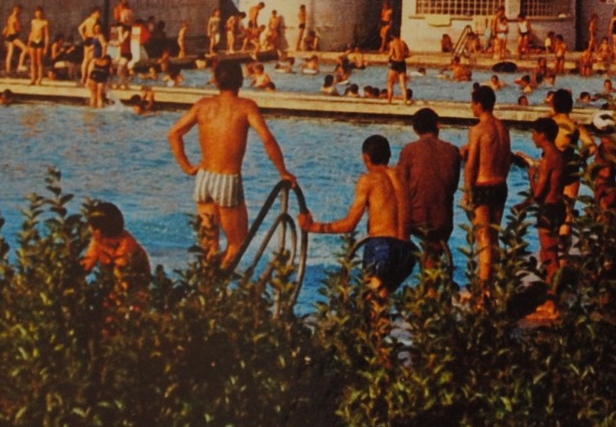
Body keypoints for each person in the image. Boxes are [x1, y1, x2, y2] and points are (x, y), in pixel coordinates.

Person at [168, 59, 295, 268]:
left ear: (216, 81)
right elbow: (268, 139)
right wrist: (283, 172)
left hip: (204, 178)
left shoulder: (203, 105)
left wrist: (188, 167)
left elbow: (174, 134)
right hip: (227, 179)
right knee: (238, 243)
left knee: (209, 246)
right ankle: (221, 286)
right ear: (241, 80)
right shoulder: (245, 107)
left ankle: (208, 290)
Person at [301, 134, 416, 296]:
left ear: (366, 158)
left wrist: (313, 227)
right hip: (407, 251)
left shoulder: (368, 180)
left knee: (371, 305)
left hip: (382, 248)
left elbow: (350, 225)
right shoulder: (402, 176)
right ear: (389, 155)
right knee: (382, 304)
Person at [462, 83, 513, 295]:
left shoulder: (478, 130)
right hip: (500, 184)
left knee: (483, 238)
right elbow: (508, 159)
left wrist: (467, 191)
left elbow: (472, 163)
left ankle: (484, 291)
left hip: (483, 186)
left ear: (479, 104)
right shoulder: (503, 128)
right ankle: (496, 284)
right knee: (494, 237)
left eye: (473, 103)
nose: (471, 107)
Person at [396, 107, 462, 263]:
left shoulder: (409, 150)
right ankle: (432, 275)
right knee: (432, 253)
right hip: (442, 222)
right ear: (437, 126)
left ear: (415, 129)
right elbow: (452, 186)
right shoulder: (453, 151)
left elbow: (401, 186)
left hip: (415, 219)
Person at [527, 117, 568, 285]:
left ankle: (554, 301)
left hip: (549, 208)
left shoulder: (548, 159)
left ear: (542, 135)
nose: (533, 138)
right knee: (550, 253)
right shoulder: (559, 155)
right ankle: (552, 295)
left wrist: (531, 177)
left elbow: (538, 193)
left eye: (534, 134)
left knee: (549, 255)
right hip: (559, 206)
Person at [81, 200, 151, 286]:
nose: (89, 229)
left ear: (99, 230)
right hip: (112, 283)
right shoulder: (99, 240)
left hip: (133, 290)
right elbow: (85, 266)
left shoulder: (126, 246)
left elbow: (122, 284)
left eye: (91, 225)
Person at [26, 7, 51, 86]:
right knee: (33, 61)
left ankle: (40, 78)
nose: (38, 14)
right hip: (33, 41)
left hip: (40, 42)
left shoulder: (45, 22)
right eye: (37, 13)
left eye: (40, 13)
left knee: (39, 61)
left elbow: (47, 35)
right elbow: (31, 32)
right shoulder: (33, 21)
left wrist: (46, 47)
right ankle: (33, 78)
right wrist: (28, 43)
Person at [385, 34, 410, 103]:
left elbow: (391, 54)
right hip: (402, 63)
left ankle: (389, 100)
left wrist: (388, 60)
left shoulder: (392, 43)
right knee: (403, 85)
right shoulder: (403, 42)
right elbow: (408, 53)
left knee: (390, 83)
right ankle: (405, 100)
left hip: (395, 62)